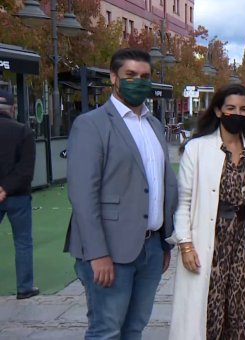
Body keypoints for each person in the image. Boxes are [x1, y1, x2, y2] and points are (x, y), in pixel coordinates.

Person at [65, 48, 178, 338]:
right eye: (130, 75)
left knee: (135, 328)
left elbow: (161, 184)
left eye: (144, 77)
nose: (138, 81)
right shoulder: (91, 124)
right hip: (110, 251)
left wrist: (165, 243)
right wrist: (98, 253)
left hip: (151, 248)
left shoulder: (153, 124)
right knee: (106, 330)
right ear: (114, 77)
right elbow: (82, 195)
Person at [167, 84, 245, 339]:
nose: (238, 113)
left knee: (242, 305)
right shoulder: (197, 148)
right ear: (218, 111)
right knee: (209, 306)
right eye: (231, 108)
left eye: (244, 109)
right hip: (210, 236)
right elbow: (184, 200)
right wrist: (185, 244)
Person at [0, 90, 38, 300]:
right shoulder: (23, 131)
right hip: (18, 195)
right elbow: (26, 170)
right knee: (23, 242)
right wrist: (5, 188)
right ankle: (24, 287)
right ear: (13, 109)